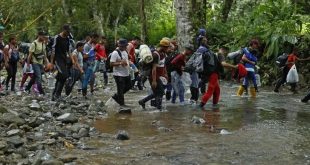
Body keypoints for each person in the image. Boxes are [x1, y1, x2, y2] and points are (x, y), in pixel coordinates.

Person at [138, 39, 170, 110]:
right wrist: (154, 81)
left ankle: (142, 101)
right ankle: (159, 109)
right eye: (166, 47)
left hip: (161, 76)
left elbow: (163, 65)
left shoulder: (164, 54)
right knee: (160, 92)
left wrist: (165, 74)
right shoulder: (155, 54)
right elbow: (154, 68)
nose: (168, 48)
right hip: (153, 76)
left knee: (157, 93)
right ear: (162, 46)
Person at [198, 37, 224, 108]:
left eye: (206, 40)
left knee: (217, 90)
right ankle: (201, 105)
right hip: (212, 72)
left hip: (209, 72)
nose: (206, 41)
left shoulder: (202, 50)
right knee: (211, 89)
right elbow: (221, 63)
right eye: (204, 40)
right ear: (200, 41)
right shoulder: (203, 50)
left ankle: (215, 105)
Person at [25, 31, 50, 96]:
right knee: (39, 77)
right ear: (39, 35)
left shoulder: (43, 44)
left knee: (35, 76)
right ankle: (41, 92)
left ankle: (27, 88)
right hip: (35, 63)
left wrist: (47, 63)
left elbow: (44, 55)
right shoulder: (34, 44)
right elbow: (30, 55)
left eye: (44, 36)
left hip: (41, 63)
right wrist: (28, 65)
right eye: (42, 36)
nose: (43, 37)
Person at [50, 24, 72, 101]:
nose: (68, 33)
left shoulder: (68, 39)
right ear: (64, 30)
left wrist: (72, 60)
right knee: (64, 75)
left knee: (61, 77)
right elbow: (53, 50)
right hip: (57, 59)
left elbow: (68, 51)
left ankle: (55, 94)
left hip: (64, 60)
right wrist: (51, 63)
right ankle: (57, 94)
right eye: (67, 31)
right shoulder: (57, 38)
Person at [110, 38, 131, 107]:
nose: (125, 47)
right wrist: (120, 63)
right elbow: (111, 64)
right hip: (118, 74)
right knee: (120, 89)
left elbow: (127, 60)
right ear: (121, 46)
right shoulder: (115, 53)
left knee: (129, 86)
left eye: (126, 46)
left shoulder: (125, 51)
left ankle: (116, 96)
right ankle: (122, 105)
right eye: (125, 46)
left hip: (126, 73)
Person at [82, 33, 99, 98]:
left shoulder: (93, 45)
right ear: (93, 38)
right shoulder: (86, 46)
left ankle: (91, 91)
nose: (97, 40)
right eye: (96, 39)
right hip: (87, 64)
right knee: (86, 79)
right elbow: (84, 56)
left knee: (92, 78)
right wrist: (92, 52)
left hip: (92, 64)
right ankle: (84, 94)